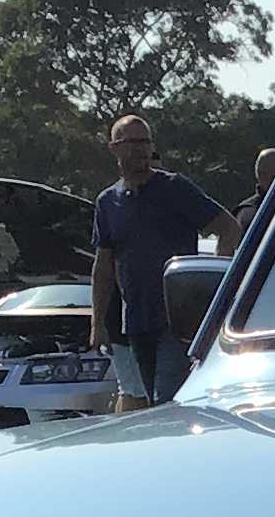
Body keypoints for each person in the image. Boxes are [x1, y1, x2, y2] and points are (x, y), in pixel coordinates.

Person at [90, 114, 238, 405]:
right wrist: (98, 323)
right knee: (149, 404)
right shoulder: (107, 202)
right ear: (114, 148)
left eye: (145, 142)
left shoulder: (174, 188)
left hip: (177, 321)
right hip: (135, 321)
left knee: (167, 401)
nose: (141, 149)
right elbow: (104, 267)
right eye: (132, 142)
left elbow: (228, 228)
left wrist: (213, 289)